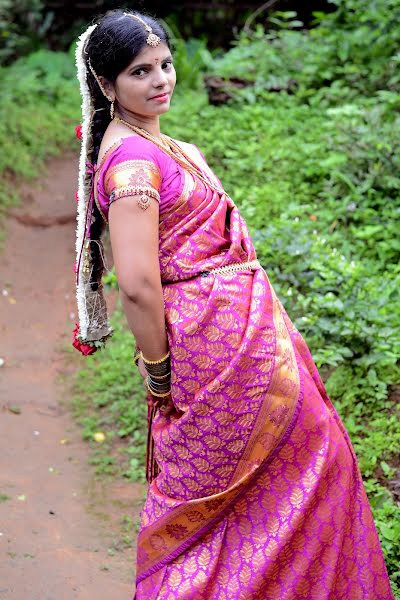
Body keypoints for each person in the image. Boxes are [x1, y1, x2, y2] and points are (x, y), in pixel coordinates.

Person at [73, 9, 394, 600]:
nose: (160, 79)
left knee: (303, 470)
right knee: (224, 498)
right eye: (140, 72)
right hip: (208, 352)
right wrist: (160, 375)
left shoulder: (155, 142)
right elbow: (140, 285)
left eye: (165, 64)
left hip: (241, 338)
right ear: (105, 82)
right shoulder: (133, 164)